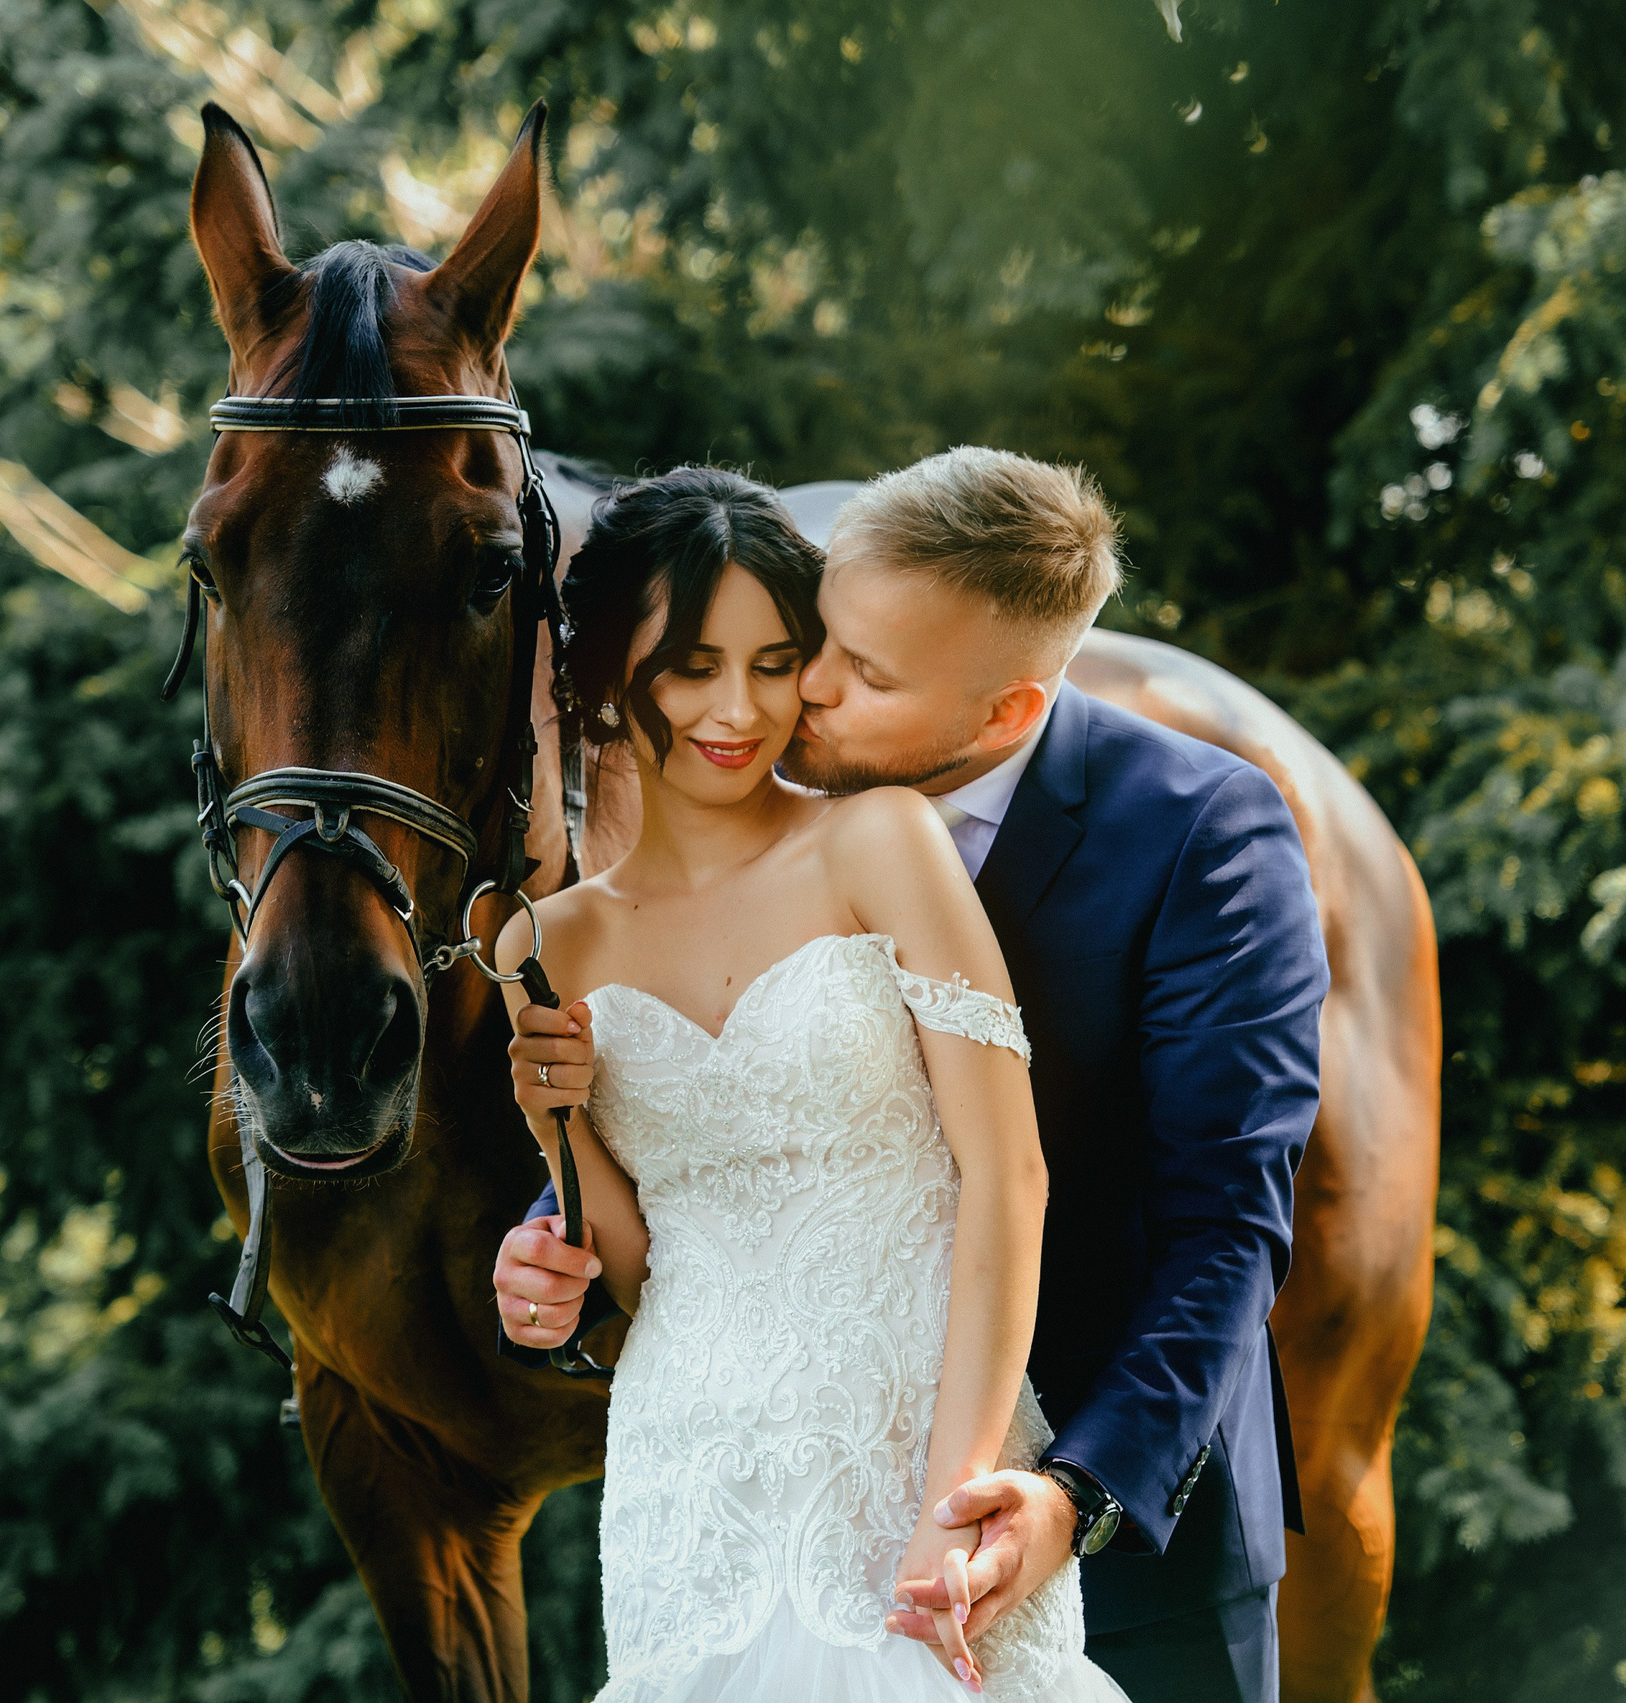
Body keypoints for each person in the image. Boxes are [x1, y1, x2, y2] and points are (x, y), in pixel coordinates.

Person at [502, 448, 1328, 1703]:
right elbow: (712, 1100)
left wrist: (1069, 1495)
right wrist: (548, 1214)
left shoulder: (1205, 834)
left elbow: (1223, 1230)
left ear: (1004, 714)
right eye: (810, 640)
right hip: (766, 1499)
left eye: (865, 676)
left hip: (1114, 1519)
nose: (804, 693)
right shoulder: (735, 789)